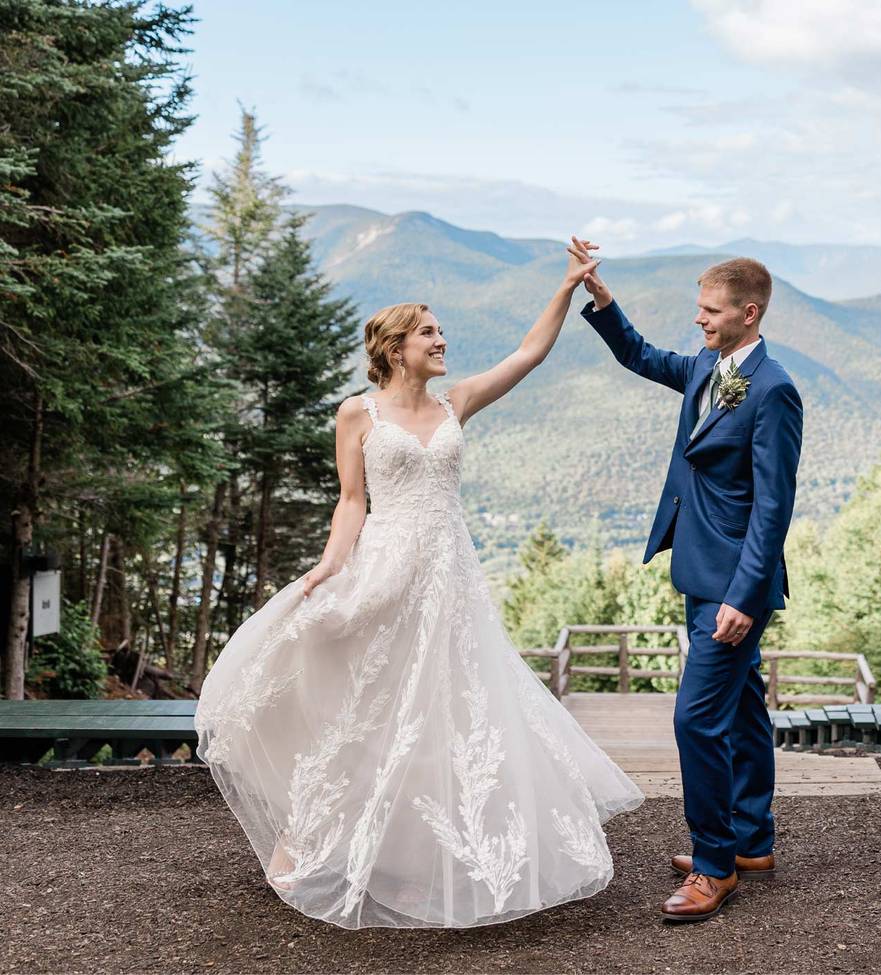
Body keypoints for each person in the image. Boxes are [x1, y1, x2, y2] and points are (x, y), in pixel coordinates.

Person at [193, 240, 645, 930]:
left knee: (447, 713)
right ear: (395, 347)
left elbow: (527, 354)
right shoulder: (359, 414)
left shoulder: (456, 401)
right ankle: (309, 838)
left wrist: (567, 287)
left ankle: (425, 849)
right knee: (369, 703)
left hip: (450, 574)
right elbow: (352, 501)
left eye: (439, 332)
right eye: (429, 333)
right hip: (386, 566)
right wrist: (328, 565)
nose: (442, 341)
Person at [572, 239, 803, 923]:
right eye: (698, 307)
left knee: (695, 718)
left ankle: (714, 864)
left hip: (735, 583)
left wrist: (745, 593)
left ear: (749, 312)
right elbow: (641, 356)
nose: (698, 319)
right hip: (699, 567)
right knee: (741, 708)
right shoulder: (709, 363)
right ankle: (752, 841)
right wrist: (602, 299)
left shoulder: (774, 389)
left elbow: (773, 506)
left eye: (710, 309)